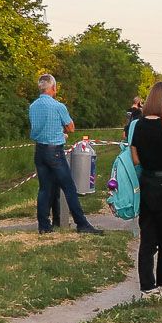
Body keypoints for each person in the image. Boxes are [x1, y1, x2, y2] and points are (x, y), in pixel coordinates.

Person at [29, 74, 100, 235]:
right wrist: (61, 133)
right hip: (54, 151)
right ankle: (81, 223)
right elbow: (71, 127)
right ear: (53, 88)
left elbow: (38, 127)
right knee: (69, 187)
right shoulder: (58, 106)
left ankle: (44, 226)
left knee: (44, 189)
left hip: (39, 150)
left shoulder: (33, 106)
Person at [128, 82, 162, 299]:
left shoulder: (138, 125)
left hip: (147, 182)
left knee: (147, 238)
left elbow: (135, 157)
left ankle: (147, 286)